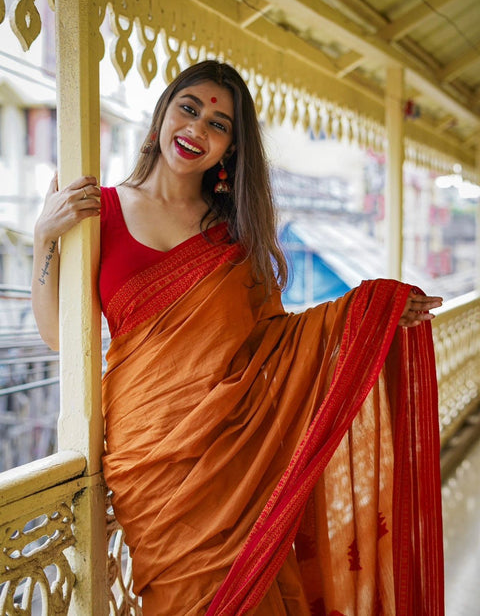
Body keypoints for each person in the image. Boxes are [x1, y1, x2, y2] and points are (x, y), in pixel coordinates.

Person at [32, 60, 444, 615]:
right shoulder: (99, 211)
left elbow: (275, 341)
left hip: (234, 457)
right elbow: (61, 335)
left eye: (219, 124)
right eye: (190, 107)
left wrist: (369, 311)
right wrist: (43, 243)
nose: (198, 128)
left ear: (229, 149)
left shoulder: (233, 236)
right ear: (162, 115)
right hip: (147, 458)